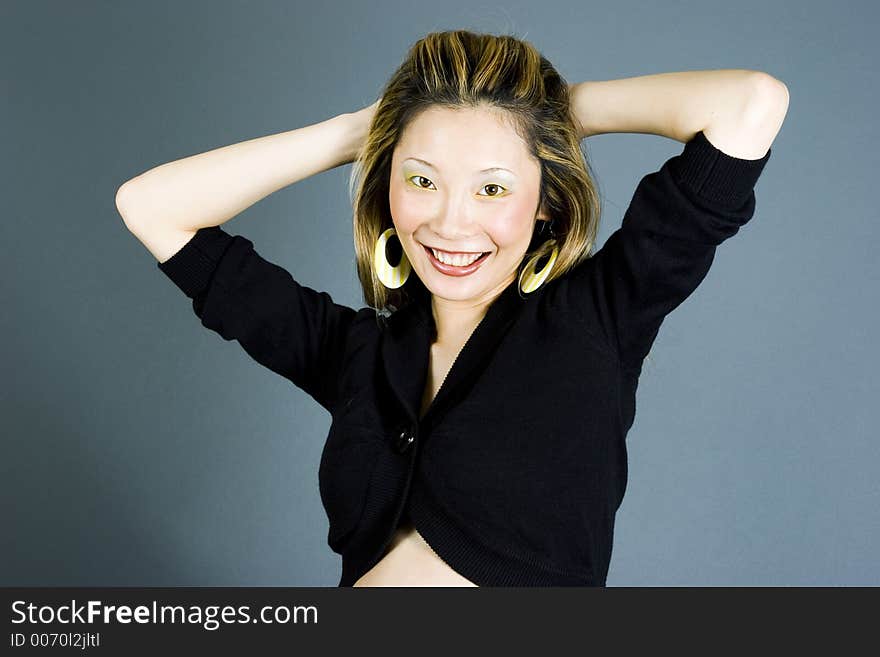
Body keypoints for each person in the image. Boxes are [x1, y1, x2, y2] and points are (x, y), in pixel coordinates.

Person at [115, 30, 789, 586]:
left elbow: (749, 105)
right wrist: (363, 131)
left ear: (546, 202)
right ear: (387, 188)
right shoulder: (357, 354)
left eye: (492, 187)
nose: (451, 223)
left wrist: (549, 113)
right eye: (421, 179)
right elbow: (151, 207)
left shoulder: (597, 320)